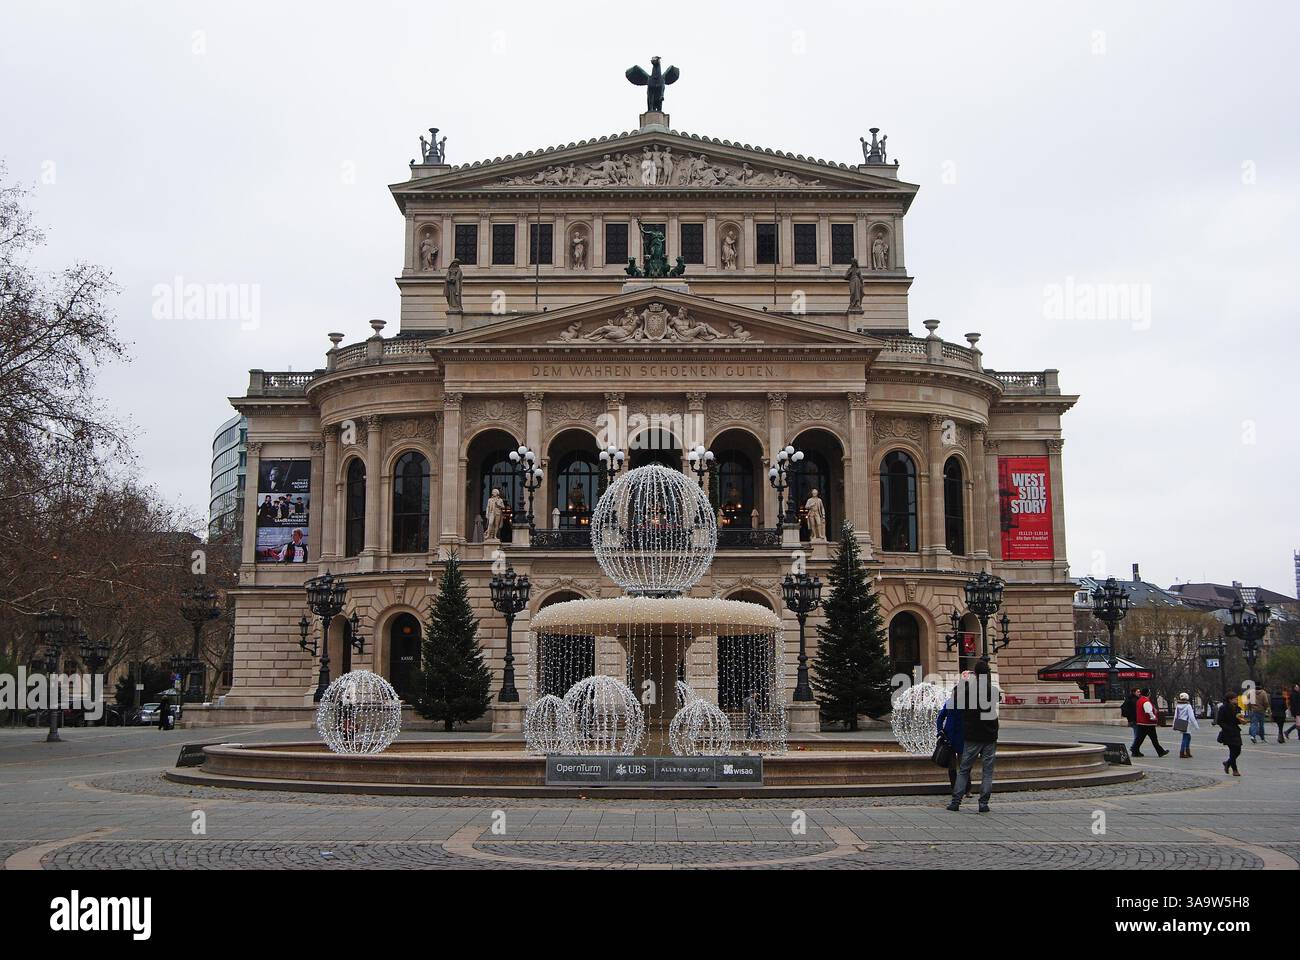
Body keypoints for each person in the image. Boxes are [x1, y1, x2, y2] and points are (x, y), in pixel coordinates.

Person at [946, 658, 999, 813]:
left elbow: (957, 703)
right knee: (987, 771)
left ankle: (956, 802)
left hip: (972, 735)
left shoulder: (968, 690)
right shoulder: (992, 690)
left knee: (964, 769)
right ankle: (983, 804)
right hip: (989, 735)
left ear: (975, 673)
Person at [936, 679, 971, 796]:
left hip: (960, 738)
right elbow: (940, 717)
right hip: (950, 738)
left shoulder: (967, 705)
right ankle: (957, 789)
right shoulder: (950, 703)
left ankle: (966, 789)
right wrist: (940, 731)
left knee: (963, 765)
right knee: (955, 766)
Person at [1131, 687, 1169, 757]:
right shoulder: (1146, 701)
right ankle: (1160, 752)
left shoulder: (1139, 700)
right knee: (1154, 738)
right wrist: (1154, 718)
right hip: (1148, 723)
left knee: (1140, 738)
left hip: (1141, 723)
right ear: (1148, 693)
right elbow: (1149, 711)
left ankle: (1134, 750)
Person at [1216, 697, 1243, 776]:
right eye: (1235, 699)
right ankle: (1235, 770)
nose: (1236, 700)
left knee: (1238, 750)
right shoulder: (1223, 708)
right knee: (1232, 750)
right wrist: (1227, 728)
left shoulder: (1237, 708)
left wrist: (1241, 720)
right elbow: (1219, 721)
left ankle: (1227, 763)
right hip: (1227, 732)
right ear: (1230, 699)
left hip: (1236, 730)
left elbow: (1238, 720)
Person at [1173, 692, 1200, 758]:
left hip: (1180, 723)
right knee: (1185, 737)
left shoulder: (1178, 706)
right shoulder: (1188, 706)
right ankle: (1182, 752)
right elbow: (1191, 717)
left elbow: (1175, 716)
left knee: (1188, 737)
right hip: (1187, 723)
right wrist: (1196, 726)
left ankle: (1187, 751)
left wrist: (1173, 724)